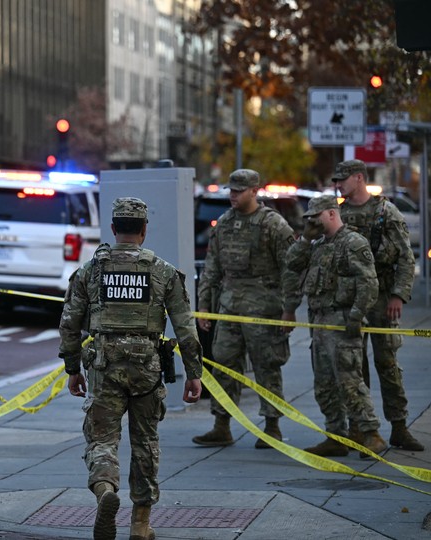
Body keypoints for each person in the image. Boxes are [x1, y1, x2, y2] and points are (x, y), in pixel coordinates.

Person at [58, 197, 203, 540]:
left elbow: (69, 323)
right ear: (143, 230)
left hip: (103, 365)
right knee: (146, 443)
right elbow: (186, 327)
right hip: (147, 369)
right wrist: (194, 372)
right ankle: (140, 524)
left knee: (102, 439)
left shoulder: (90, 270)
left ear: (113, 228)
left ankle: (105, 490)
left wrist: (71, 367)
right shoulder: (163, 271)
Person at [193, 169, 299, 449]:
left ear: (255, 191)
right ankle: (221, 424)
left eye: (239, 191)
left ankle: (271, 426)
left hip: (264, 308)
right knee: (224, 363)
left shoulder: (273, 225)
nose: (233, 195)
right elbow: (212, 267)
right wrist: (204, 305)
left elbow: (291, 268)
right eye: (231, 190)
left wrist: (290, 309)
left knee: (267, 365)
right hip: (229, 306)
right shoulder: (225, 224)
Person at [284, 195, 387, 458]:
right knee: (325, 384)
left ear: (331, 213)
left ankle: (370, 433)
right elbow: (292, 263)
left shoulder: (352, 242)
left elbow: (368, 283)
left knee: (350, 382)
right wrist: (305, 238)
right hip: (319, 322)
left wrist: (356, 316)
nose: (312, 222)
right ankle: (336, 435)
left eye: (316, 217)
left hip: (342, 321)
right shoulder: (317, 244)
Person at [332, 159, 423, 451]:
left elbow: (406, 258)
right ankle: (359, 427)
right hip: (349, 300)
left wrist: (398, 295)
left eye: (343, 179)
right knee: (353, 366)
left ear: (359, 178)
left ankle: (398, 426)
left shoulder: (386, 211)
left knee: (387, 363)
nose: (338, 185)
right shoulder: (339, 214)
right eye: (336, 180)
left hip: (382, 298)